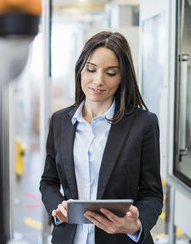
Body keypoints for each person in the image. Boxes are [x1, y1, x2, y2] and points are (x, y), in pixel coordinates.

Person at [39, 31, 163, 244]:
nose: (98, 81)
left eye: (111, 73)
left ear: (122, 76)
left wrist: (136, 224)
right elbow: (49, 182)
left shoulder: (143, 123)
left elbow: (152, 194)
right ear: (80, 68)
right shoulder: (59, 121)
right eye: (91, 69)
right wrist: (58, 209)